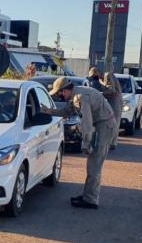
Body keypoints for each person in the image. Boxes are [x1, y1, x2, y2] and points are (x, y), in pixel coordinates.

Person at [47, 77, 115, 209]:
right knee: (93, 164)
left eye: (60, 93)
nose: (60, 96)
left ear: (66, 89)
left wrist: (87, 144)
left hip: (104, 126)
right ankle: (88, 195)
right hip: (103, 124)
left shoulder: (80, 97)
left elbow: (87, 124)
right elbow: (67, 112)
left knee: (94, 164)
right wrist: (50, 111)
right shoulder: (76, 94)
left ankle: (91, 200)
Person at [103, 71, 124, 150]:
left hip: (114, 104)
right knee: (116, 123)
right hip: (117, 103)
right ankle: (113, 142)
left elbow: (111, 91)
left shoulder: (111, 84)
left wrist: (100, 93)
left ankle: (110, 142)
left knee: (112, 123)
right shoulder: (117, 85)